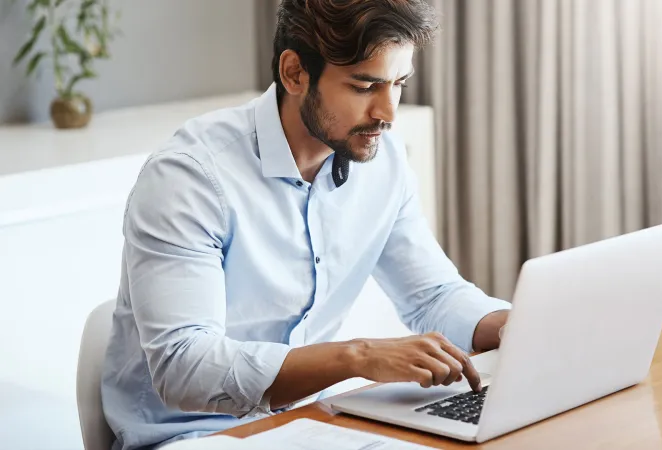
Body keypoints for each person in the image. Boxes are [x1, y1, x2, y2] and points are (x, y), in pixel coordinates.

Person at [101, 1, 510, 448]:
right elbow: (186, 368)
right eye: (365, 86)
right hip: (192, 437)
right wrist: (358, 357)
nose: (388, 113)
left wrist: (515, 326)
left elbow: (433, 295)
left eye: (399, 83)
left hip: (311, 423)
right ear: (295, 73)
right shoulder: (190, 177)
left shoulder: (382, 162)